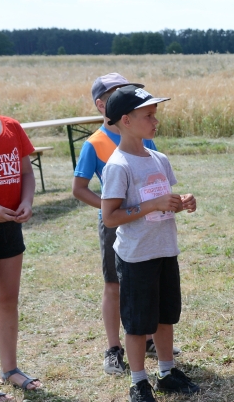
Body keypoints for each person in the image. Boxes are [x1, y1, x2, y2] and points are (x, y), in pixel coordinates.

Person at [100, 85, 199, 402]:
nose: (155, 121)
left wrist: (182, 202)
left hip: (164, 250)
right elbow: (110, 217)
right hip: (136, 256)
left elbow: (163, 202)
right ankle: (139, 382)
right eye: (148, 116)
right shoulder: (119, 165)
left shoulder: (159, 159)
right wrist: (152, 205)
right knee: (138, 323)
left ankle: (167, 373)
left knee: (165, 316)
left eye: (155, 115)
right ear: (126, 120)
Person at [73, 73, 176, 375]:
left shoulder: (146, 140)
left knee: (149, 289)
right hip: (117, 226)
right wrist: (114, 208)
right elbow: (80, 189)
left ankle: (150, 341)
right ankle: (113, 348)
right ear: (103, 106)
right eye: (118, 94)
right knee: (115, 286)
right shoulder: (95, 143)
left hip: (150, 226)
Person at [0, 62, 41, 402]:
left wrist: (27, 201)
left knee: (7, 300)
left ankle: (10, 369)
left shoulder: (12, 127)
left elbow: (26, 173)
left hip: (10, 223)